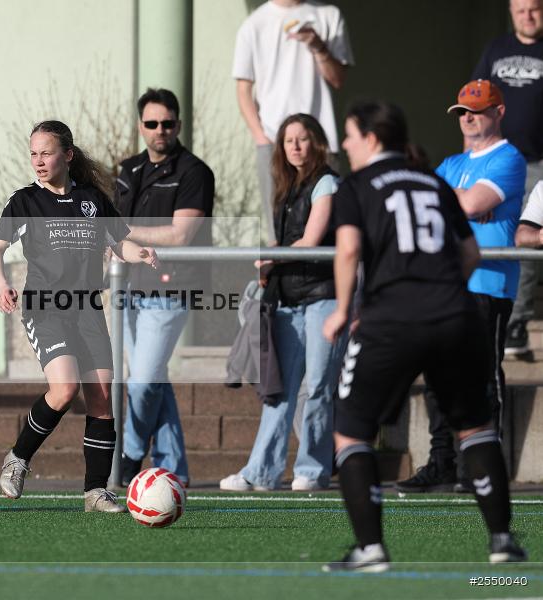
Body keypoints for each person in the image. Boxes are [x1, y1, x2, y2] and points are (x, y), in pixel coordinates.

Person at [322, 100, 526, 572]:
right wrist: (444, 293)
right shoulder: (434, 181)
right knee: (475, 427)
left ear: (371, 138)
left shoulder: (356, 185)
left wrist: (341, 310)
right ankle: (501, 540)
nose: (346, 145)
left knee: (351, 429)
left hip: (391, 317)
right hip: (455, 313)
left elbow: (349, 248)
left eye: (350, 136)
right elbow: (470, 252)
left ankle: (370, 548)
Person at [0, 120, 158, 512]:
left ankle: (95, 492)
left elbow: (121, 244)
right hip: (45, 307)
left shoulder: (92, 200)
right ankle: (17, 458)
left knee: (100, 400)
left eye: (46, 152)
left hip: (87, 310)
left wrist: (141, 253)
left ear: (67, 154)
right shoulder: (24, 201)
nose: (38, 160)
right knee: (65, 389)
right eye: (33, 153)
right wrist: (0, 284)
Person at [395, 80, 525, 494]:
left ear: (498, 113)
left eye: (477, 111)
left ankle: (482, 467)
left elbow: (466, 206)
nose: (468, 119)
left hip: (488, 283)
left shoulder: (509, 158)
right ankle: (442, 462)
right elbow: (424, 206)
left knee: (482, 376)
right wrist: (461, 202)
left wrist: (455, 202)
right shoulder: (452, 163)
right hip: (443, 283)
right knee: (437, 377)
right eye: (462, 113)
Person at [219, 113, 343, 492]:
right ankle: (261, 472)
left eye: (303, 139)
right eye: (289, 140)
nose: (295, 146)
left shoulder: (327, 182)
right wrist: (267, 266)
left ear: (317, 143)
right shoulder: (285, 187)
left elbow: (312, 241)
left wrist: (271, 257)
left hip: (324, 297)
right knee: (279, 389)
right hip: (288, 297)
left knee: (319, 385)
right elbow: (290, 243)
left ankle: (312, 470)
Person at [114, 88, 215, 487]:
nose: (160, 131)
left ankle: (130, 453)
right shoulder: (128, 169)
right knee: (151, 378)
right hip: (127, 289)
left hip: (170, 290)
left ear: (178, 125)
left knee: (142, 380)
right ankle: (174, 468)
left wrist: (121, 233)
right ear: (141, 126)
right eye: (152, 123)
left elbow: (182, 234)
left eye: (167, 124)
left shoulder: (194, 171)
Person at [232, 0, 353, 243]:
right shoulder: (254, 24)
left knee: (328, 231)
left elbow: (338, 79)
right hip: (274, 140)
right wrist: (262, 139)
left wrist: (318, 46)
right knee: (279, 229)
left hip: (321, 141)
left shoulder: (328, 15)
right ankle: (280, 279)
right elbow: (243, 89)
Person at [472, 0, 543, 355]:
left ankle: (516, 321)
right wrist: (476, 161)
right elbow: (474, 105)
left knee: (526, 239)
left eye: (534, 9)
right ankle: (492, 314)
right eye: (521, 10)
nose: (528, 15)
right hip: (497, 163)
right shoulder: (495, 50)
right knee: (494, 234)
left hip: (538, 164)